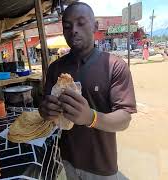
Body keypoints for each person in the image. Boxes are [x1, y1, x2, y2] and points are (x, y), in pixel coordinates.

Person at [39, 2, 136, 180]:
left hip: (101, 165)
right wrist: (45, 110)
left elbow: (124, 119)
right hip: (68, 158)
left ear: (95, 27)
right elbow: (46, 108)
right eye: (67, 26)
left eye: (81, 23)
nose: (73, 30)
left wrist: (91, 118)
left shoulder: (114, 66)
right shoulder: (55, 68)